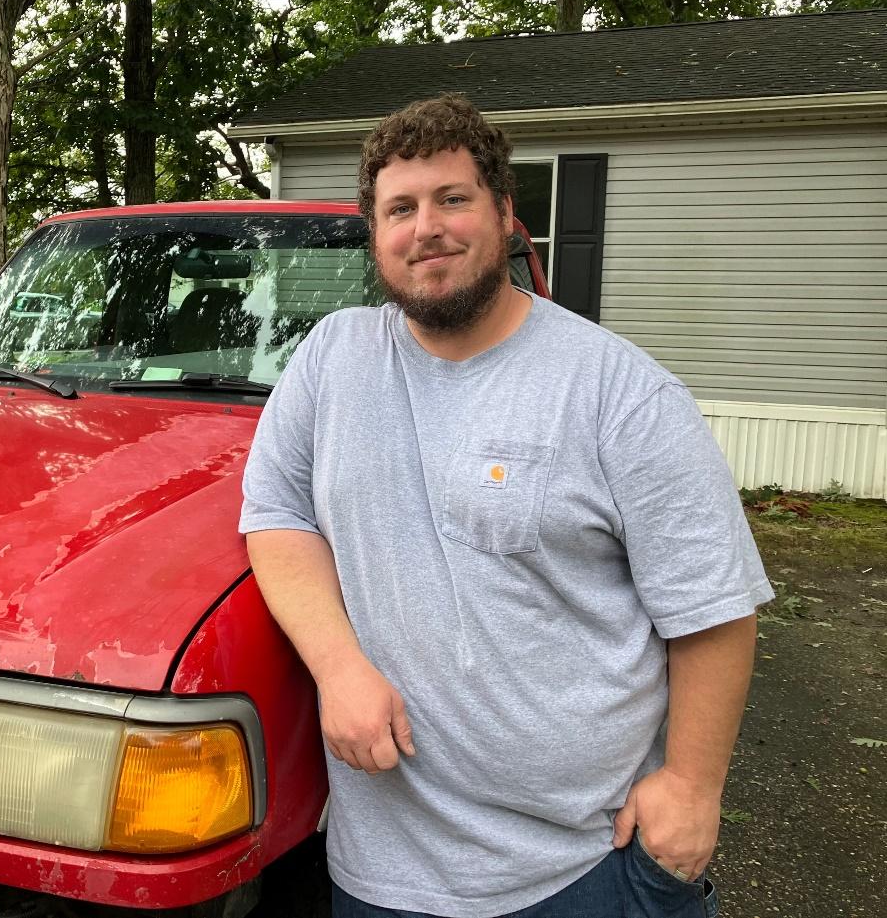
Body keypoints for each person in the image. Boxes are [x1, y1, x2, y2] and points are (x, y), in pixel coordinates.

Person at [239, 95, 772, 918]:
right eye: (400, 208)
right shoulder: (331, 360)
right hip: (380, 872)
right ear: (375, 233)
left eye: (452, 198)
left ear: (503, 214)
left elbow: (710, 606)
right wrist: (338, 665)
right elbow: (275, 512)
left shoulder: (617, 391)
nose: (427, 228)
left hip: (583, 865)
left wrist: (692, 789)